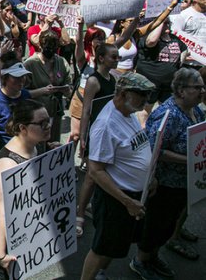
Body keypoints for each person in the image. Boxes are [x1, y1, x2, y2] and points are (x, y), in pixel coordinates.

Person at [80, 73, 157, 280]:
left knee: (114, 245)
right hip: (117, 199)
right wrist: (126, 201)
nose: (146, 99)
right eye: (141, 94)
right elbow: (95, 171)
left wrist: (148, 176)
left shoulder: (129, 111)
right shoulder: (106, 125)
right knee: (101, 247)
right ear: (123, 94)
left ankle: (100, 274)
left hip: (132, 196)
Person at [131, 68, 205, 278]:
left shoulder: (196, 110)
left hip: (184, 182)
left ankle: (153, 257)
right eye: (197, 87)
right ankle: (141, 261)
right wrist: (189, 160)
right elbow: (155, 150)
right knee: (156, 225)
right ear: (181, 90)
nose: (202, 91)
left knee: (168, 224)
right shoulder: (168, 114)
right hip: (164, 183)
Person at [0, 99, 52, 280]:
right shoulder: (6, 164)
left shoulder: (36, 146)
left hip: (22, 226)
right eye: (42, 123)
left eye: (48, 121)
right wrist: (0, 254)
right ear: (22, 128)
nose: (48, 126)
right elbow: (2, 213)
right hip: (0, 232)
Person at [75, 43, 118, 237]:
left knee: (102, 172)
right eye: (113, 57)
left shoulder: (113, 78)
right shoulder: (94, 81)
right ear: (101, 58)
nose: (117, 60)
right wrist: (83, 137)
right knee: (92, 176)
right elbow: (86, 111)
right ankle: (80, 213)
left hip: (108, 133)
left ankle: (91, 206)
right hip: (96, 133)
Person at [24, 29, 73, 140]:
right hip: (37, 115)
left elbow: (70, 87)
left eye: (54, 48)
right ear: (41, 46)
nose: (51, 51)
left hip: (55, 113)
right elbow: (22, 93)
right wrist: (42, 91)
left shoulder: (61, 62)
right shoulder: (30, 64)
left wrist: (66, 90)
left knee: (54, 143)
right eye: (48, 48)